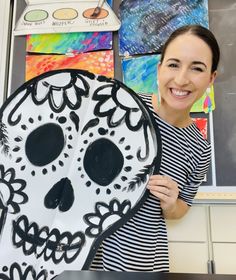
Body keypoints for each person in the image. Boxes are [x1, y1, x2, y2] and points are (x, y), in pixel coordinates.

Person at [90, 24, 220, 271]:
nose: (181, 79)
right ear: (159, 69)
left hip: (140, 260)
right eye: (173, 64)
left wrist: (171, 205)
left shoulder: (200, 148)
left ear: (211, 78)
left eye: (197, 68)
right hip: (82, 248)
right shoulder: (121, 107)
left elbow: (182, 207)